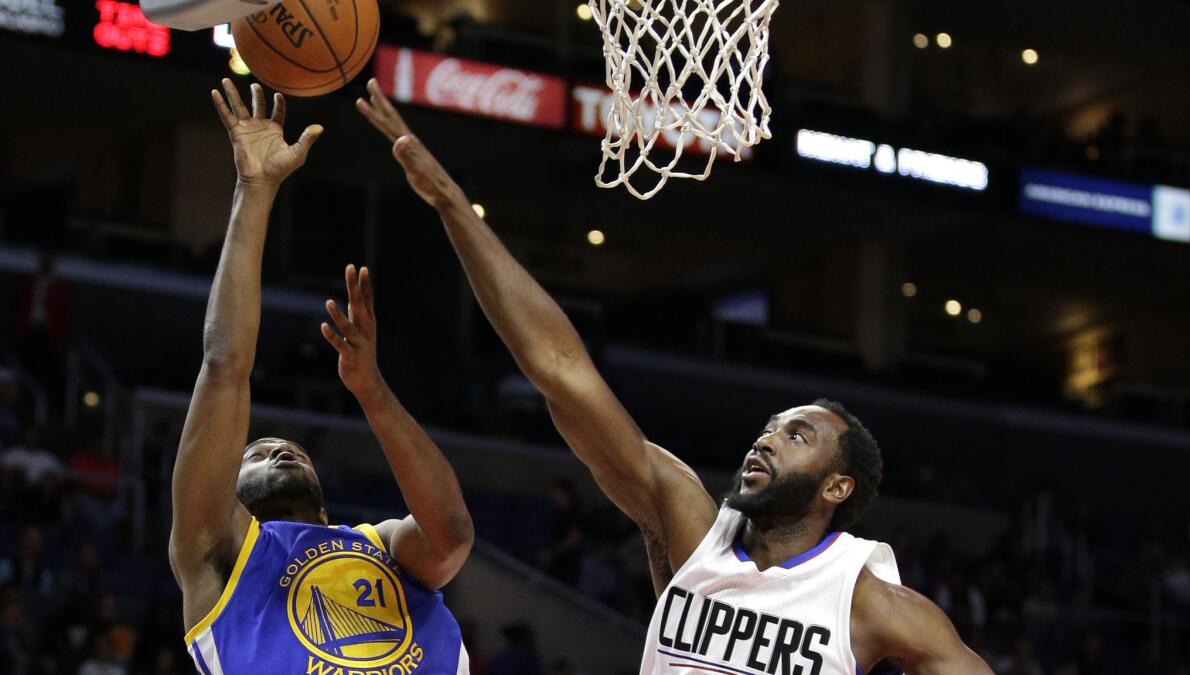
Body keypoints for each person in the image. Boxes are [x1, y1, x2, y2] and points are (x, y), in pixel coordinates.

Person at [356, 78, 994, 675]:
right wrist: (450, 204)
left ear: (837, 486)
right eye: (770, 428)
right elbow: (560, 371)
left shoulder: (869, 603)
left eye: (796, 436)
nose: (766, 439)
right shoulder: (692, 526)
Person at [168, 80, 474, 674]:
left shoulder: (383, 547)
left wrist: (372, 390)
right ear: (224, 493)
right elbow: (225, 368)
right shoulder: (217, 554)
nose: (279, 447)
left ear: (330, 513)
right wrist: (253, 193)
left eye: (285, 449)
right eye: (256, 450)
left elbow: (453, 534)